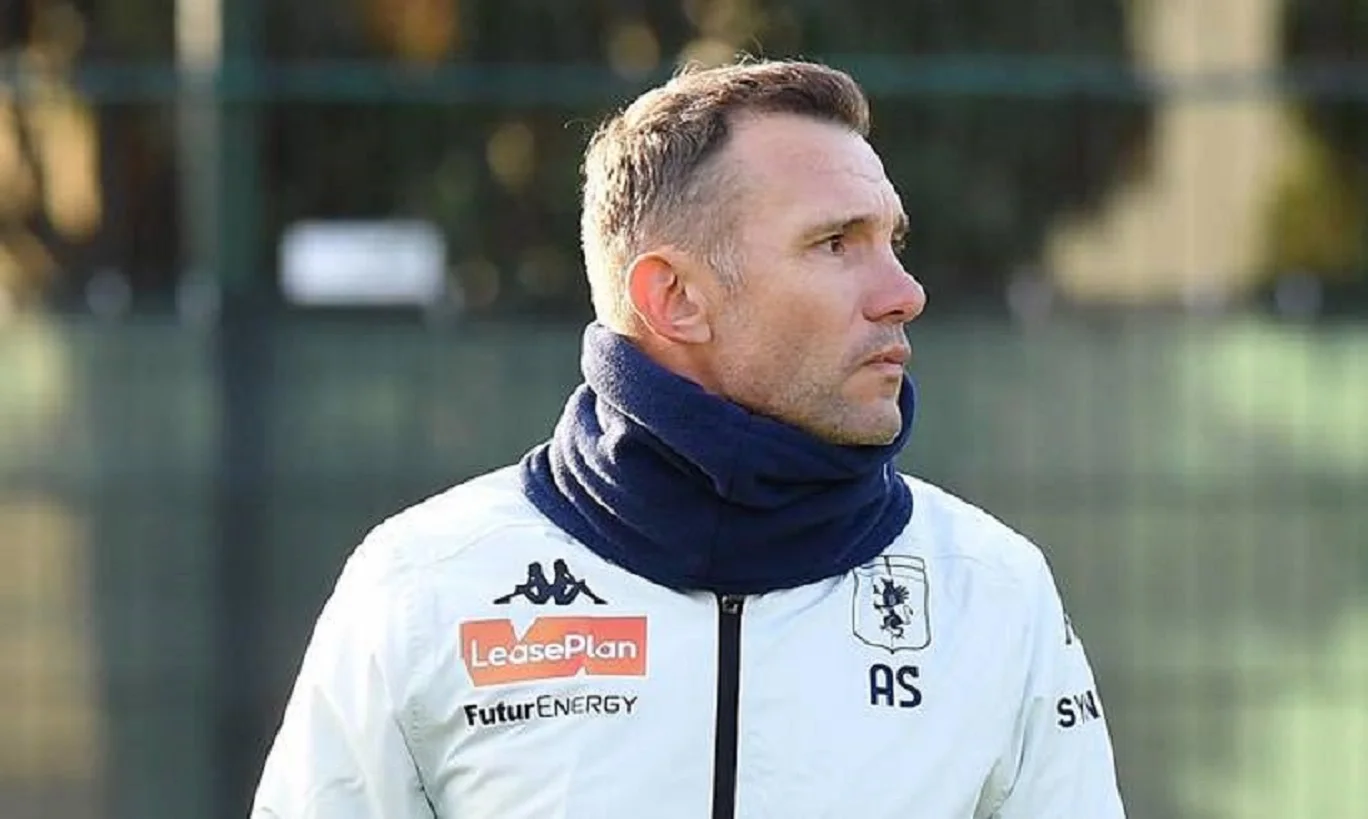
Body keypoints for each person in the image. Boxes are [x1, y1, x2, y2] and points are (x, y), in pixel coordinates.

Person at [251, 57, 1126, 818]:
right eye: (835, 243)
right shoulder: (423, 585)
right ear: (674, 299)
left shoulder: (993, 590)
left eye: (891, 241)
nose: (905, 292)